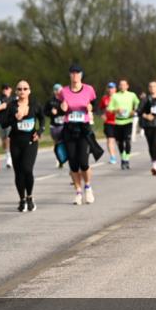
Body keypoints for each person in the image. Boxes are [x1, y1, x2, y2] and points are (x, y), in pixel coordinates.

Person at [4, 80, 45, 212]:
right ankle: (21, 199)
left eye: (25, 89)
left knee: (27, 169)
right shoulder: (12, 106)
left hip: (30, 141)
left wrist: (39, 131)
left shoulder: (35, 104)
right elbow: (4, 123)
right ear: (16, 92)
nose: (22, 91)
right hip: (16, 141)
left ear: (29, 91)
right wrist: (15, 118)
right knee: (18, 173)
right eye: (19, 89)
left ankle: (30, 197)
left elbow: (42, 119)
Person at [60, 64, 98, 205]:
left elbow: (95, 103)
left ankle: (87, 187)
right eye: (72, 73)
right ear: (69, 75)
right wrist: (61, 108)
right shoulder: (63, 91)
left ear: (81, 75)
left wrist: (90, 107)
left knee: (84, 162)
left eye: (77, 73)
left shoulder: (89, 89)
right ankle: (78, 191)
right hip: (69, 128)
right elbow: (60, 108)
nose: (75, 76)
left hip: (84, 129)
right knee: (73, 164)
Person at [108, 79, 139, 170]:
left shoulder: (132, 95)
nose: (122, 86)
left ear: (127, 86)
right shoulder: (115, 96)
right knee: (120, 142)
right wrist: (116, 110)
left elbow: (138, 103)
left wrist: (134, 111)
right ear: (119, 86)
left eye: (124, 85)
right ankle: (122, 158)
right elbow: (110, 108)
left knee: (127, 140)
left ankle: (127, 159)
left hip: (128, 121)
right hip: (118, 121)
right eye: (121, 85)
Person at [44, 83, 66, 168]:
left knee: (65, 141)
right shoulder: (50, 101)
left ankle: (64, 157)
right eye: (56, 90)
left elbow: (69, 110)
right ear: (54, 91)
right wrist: (51, 113)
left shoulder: (65, 100)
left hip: (64, 125)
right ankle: (59, 159)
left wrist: (62, 111)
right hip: (54, 126)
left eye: (59, 90)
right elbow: (45, 112)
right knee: (56, 143)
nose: (58, 91)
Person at [99, 82, 119, 165]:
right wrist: (102, 115)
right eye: (109, 88)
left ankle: (123, 153)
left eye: (112, 88)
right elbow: (100, 109)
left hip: (119, 122)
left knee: (119, 141)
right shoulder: (104, 98)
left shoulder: (119, 97)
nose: (110, 90)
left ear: (115, 89)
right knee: (110, 139)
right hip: (109, 122)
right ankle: (112, 157)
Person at [0, 83, 13, 168]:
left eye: (7, 88)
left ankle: (9, 158)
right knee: (3, 141)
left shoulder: (13, 99)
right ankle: (7, 153)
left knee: (8, 139)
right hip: (0, 122)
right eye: (3, 88)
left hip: (10, 122)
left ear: (10, 89)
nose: (5, 90)